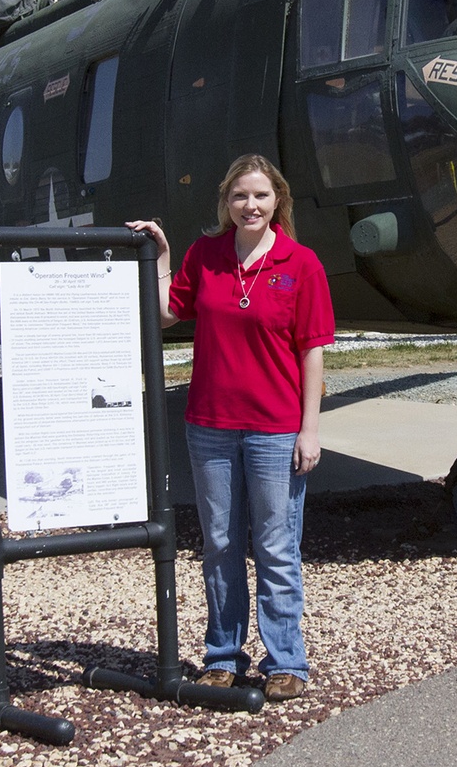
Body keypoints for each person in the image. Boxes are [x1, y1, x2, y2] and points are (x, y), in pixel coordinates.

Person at [127, 155, 334, 701]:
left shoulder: (301, 263)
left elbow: (313, 352)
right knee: (218, 545)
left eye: (261, 196)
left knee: (276, 544)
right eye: (241, 196)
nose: (251, 206)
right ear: (227, 202)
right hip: (211, 427)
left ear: (278, 202)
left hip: (275, 430)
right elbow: (169, 312)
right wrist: (164, 255)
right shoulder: (207, 255)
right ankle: (222, 656)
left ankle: (286, 660)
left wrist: (308, 431)